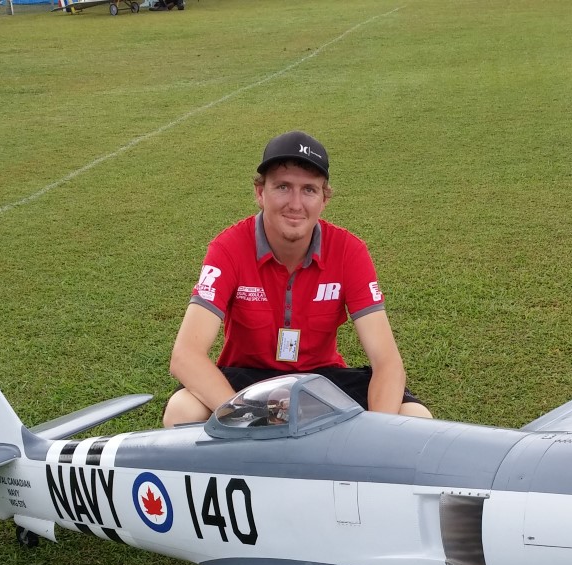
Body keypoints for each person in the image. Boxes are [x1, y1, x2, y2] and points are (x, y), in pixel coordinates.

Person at [164, 130, 432, 426]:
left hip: (321, 378)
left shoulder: (349, 250)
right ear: (260, 192)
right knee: (182, 410)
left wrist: (376, 433)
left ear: (324, 199)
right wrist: (251, 417)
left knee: (416, 417)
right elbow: (185, 356)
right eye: (282, 187)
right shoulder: (228, 248)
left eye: (309, 190)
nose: (295, 203)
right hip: (246, 377)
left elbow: (387, 362)